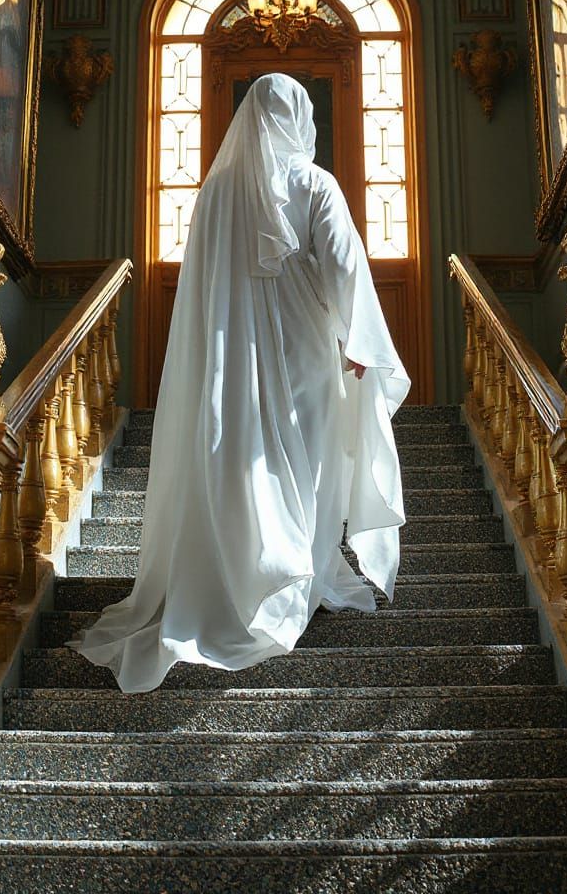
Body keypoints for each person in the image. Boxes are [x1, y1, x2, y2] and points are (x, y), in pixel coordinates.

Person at [68, 73, 409, 692]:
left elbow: (201, 291)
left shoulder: (215, 192)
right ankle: (294, 576)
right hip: (306, 349)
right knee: (303, 465)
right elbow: (343, 270)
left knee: (246, 462)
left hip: (231, 356)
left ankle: (246, 577)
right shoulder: (315, 184)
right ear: (300, 118)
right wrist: (359, 345)